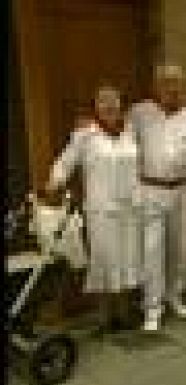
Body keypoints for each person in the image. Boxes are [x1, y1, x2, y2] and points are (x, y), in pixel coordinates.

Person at [46, 86, 142, 333]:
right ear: (96, 106)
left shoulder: (131, 132)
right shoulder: (85, 135)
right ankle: (103, 317)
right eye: (103, 101)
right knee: (103, 261)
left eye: (114, 100)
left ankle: (123, 312)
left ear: (121, 104)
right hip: (100, 211)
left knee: (128, 259)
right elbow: (65, 161)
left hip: (130, 208)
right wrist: (56, 180)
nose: (109, 105)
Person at [129, 64, 186, 331]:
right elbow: (125, 145)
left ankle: (175, 296)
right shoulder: (139, 113)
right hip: (151, 189)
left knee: (179, 247)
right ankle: (152, 307)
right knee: (152, 250)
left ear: (183, 86)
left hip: (182, 189)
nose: (172, 87)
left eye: (176, 82)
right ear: (156, 85)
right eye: (166, 82)